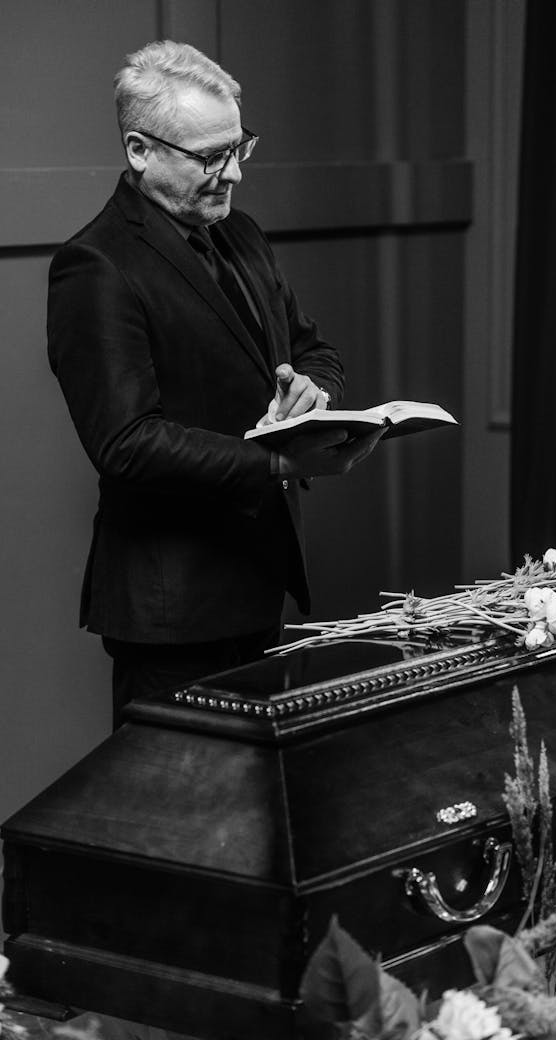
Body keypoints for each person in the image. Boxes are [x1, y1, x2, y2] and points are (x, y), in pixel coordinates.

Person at [47, 40, 381, 728]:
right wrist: (279, 460)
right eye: (210, 157)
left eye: (239, 148)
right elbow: (126, 443)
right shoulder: (95, 267)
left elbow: (313, 348)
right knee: (176, 827)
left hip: (257, 587)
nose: (232, 174)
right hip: (171, 617)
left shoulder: (242, 234)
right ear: (140, 151)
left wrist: (314, 395)